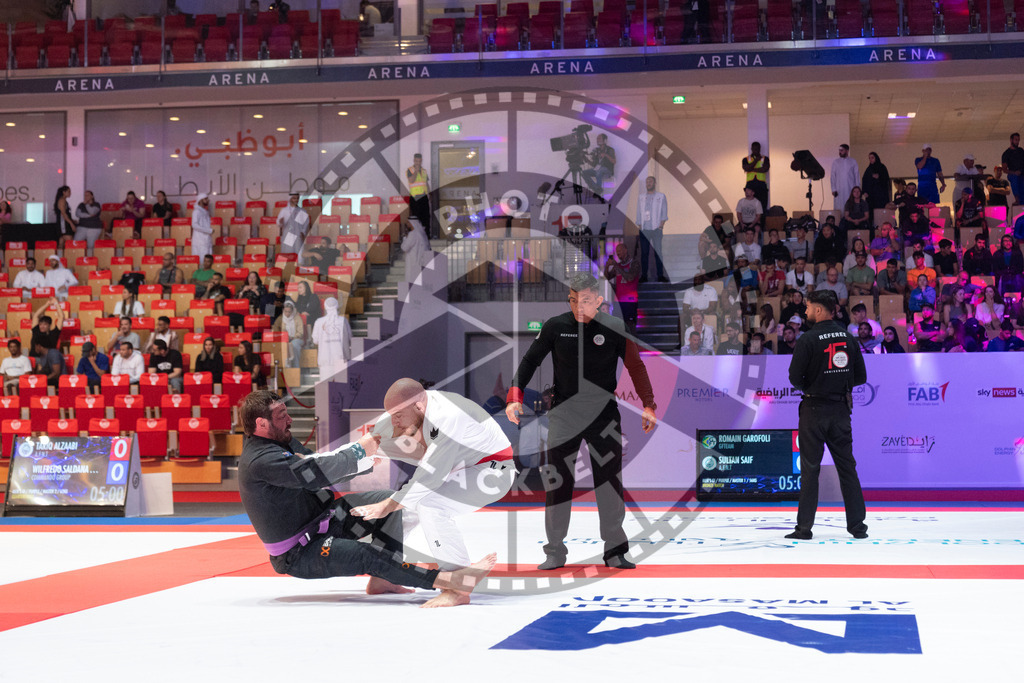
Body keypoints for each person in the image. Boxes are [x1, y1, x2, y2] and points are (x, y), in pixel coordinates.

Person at [237, 390, 497, 606]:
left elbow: (316, 463)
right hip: (301, 551)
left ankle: (385, 579)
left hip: (330, 517)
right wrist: (359, 451)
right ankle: (449, 582)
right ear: (261, 424)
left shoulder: (281, 442)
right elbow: (313, 473)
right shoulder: (260, 461)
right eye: (281, 415)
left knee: (390, 503)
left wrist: (363, 458)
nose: (289, 419)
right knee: (368, 555)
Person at [506, 273, 657, 570]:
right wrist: (514, 396)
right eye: (573, 300)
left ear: (598, 301)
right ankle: (554, 551)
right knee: (557, 482)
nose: (578, 307)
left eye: (585, 301)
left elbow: (636, 366)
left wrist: (648, 404)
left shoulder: (615, 327)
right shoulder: (555, 326)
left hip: (603, 415)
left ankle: (615, 551)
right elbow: (530, 360)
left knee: (609, 482)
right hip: (564, 414)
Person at [351, 379, 516, 607]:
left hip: (492, 469)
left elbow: (429, 478)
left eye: (398, 415)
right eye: (391, 415)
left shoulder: (447, 415)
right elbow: (358, 448)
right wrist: (312, 461)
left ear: (418, 406)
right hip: (459, 468)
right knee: (402, 513)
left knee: (430, 505)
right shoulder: (403, 413)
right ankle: (382, 575)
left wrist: (387, 504)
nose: (394, 421)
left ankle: (458, 586)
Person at [785, 289, 868, 541]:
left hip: (813, 410)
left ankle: (804, 529)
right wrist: (838, 385)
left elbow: (794, 378)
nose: (806, 311)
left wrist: (814, 385)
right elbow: (861, 377)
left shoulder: (808, 339)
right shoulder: (849, 338)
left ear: (819, 310)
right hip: (840, 409)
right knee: (847, 468)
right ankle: (858, 527)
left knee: (810, 470)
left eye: (809, 307)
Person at [635, 175, 669, 283]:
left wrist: (661, 226)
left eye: (650, 181)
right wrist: (639, 225)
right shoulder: (641, 197)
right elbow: (638, 211)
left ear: (654, 183)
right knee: (644, 253)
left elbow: (664, 211)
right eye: (647, 182)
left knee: (658, 253)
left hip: (656, 229)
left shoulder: (661, 196)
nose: (648, 183)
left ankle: (660, 275)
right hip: (644, 229)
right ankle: (644, 276)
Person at [311, 297, 352, 382]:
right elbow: (350, 338)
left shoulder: (319, 322)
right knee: (341, 386)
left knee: (326, 387)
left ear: (325, 307)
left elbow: (315, 341)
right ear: (337, 307)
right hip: (341, 358)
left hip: (325, 359)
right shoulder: (343, 321)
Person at [603, 242, 640, 329]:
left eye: (620, 250)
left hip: (630, 301)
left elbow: (630, 278)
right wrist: (607, 266)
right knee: (618, 327)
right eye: (617, 251)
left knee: (630, 326)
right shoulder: (618, 266)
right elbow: (606, 278)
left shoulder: (634, 263)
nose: (618, 253)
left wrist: (616, 266)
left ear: (625, 250)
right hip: (618, 302)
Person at [277, 193, 311, 261]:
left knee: (299, 253)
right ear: (290, 199)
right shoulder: (284, 210)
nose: (296, 200)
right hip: (288, 235)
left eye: (297, 198)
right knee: (288, 253)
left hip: (298, 235)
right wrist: (280, 222)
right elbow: (279, 223)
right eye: (294, 198)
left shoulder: (302, 211)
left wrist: (303, 232)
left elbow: (306, 223)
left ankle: (299, 266)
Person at [272, 300, 306, 368]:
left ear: (292, 311)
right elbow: (275, 330)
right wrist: (282, 335)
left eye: (289, 312)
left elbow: (300, 332)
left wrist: (292, 337)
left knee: (294, 345)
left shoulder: (297, 318)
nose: (287, 313)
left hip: (296, 339)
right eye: (285, 311)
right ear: (283, 310)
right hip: (283, 339)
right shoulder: (280, 318)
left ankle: (296, 367)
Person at [583, 133, 616, 199]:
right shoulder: (596, 150)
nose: (597, 140)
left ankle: (597, 192)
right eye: (597, 138)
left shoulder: (610, 149)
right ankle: (597, 189)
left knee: (600, 170)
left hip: (607, 171)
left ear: (605, 140)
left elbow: (614, 161)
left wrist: (605, 155)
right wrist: (586, 160)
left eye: (599, 138)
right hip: (597, 170)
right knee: (584, 173)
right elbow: (594, 165)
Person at [400, 220, 431, 285]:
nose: (407, 224)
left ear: (412, 223)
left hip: (413, 261)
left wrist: (405, 238)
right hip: (420, 260)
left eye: (408, 222)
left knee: (412, 280)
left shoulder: (413, 234)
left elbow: (404, 247)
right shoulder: (421, 233)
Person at [741, 141, 770, 213]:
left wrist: (752, 169)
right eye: (754, 149)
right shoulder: (745, 159)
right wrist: (756, 160)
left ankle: (762, 220)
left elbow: (765, 169)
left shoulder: (765, 159)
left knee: (762, 207)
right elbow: (746, 168)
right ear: (751, 149)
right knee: (750, 207)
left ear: (760, 149)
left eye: (757, 149)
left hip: (761, 185)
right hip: (750, 186)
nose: (756, 150)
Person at [830, 144, 859, 211]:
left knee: (850, 207)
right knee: (839, 208)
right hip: (839, 189)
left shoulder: (853, 161)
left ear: (847, 151)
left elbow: (856, 175)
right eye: (839, 150)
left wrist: (857, 189)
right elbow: (833, 176)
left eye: (842, 150)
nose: (840, 152)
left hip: (850, 189)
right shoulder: (836, 162)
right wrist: (833, 189)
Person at [1001, 132, 1024, 206]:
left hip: (1022, 174)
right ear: (1011, 140)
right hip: (1013, 174)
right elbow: (1004, 169)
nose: (1017, 142)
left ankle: (1021, 202)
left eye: (1018, 140)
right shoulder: (1006, 154)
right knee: (1015, 178)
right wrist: (1014, 172)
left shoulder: (1021, 150)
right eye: (1016, 140)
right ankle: (1017, 199)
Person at [190, 193, 214, 262]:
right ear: (200, 200)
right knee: (201, 260)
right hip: (199, 240)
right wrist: (208, 230)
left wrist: (209, 231)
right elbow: (194, 225)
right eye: (205, 199)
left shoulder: (205, 211)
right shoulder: (196, 211)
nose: (208, 200)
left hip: (206, 238)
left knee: (208, 260)